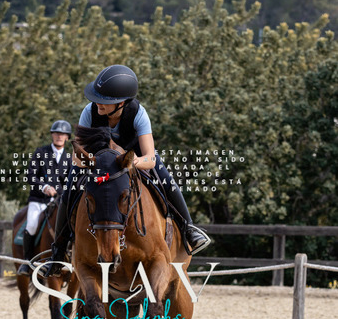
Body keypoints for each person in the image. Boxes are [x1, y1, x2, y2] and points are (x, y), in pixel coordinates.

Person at [45, 65, 210, 276]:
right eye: (97, 98)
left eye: (104, 100)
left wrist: (132, 162)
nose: (97, 103)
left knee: (167, 180)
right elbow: (77, 156)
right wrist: (92, 163)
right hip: (98, 162)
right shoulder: (89, 111)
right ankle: (58, 252)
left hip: (135, 157)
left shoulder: (138, 114)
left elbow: (150, 158)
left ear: (121, 103)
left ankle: (188, 229)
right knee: (69, 188)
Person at [17, 120, 73, 275]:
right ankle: (27, 261)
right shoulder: (40, 153)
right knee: (32, 225)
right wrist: (45, 187)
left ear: (67, 137)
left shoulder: (69, 158)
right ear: (52, 135)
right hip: (39, 200)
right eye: (56, 133)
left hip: (58, 202)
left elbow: (70, 182)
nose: (59, 136)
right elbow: (30, 176)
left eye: (62, 134)